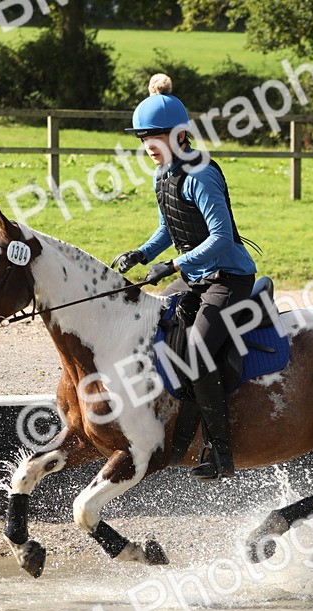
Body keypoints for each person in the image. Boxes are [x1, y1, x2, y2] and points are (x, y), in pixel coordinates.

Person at [111, 74, 258, 481]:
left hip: (228, 279)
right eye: (143, 141)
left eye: (152, 141)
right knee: (152, 331)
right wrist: (142, 253)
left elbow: (222, 237)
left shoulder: (201, 174)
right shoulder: (164, 176)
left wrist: (173, 266)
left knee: (196, 353)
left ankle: (222, 455)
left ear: (177, 137)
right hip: (196, 277)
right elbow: (168, 231)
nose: (147, 150)